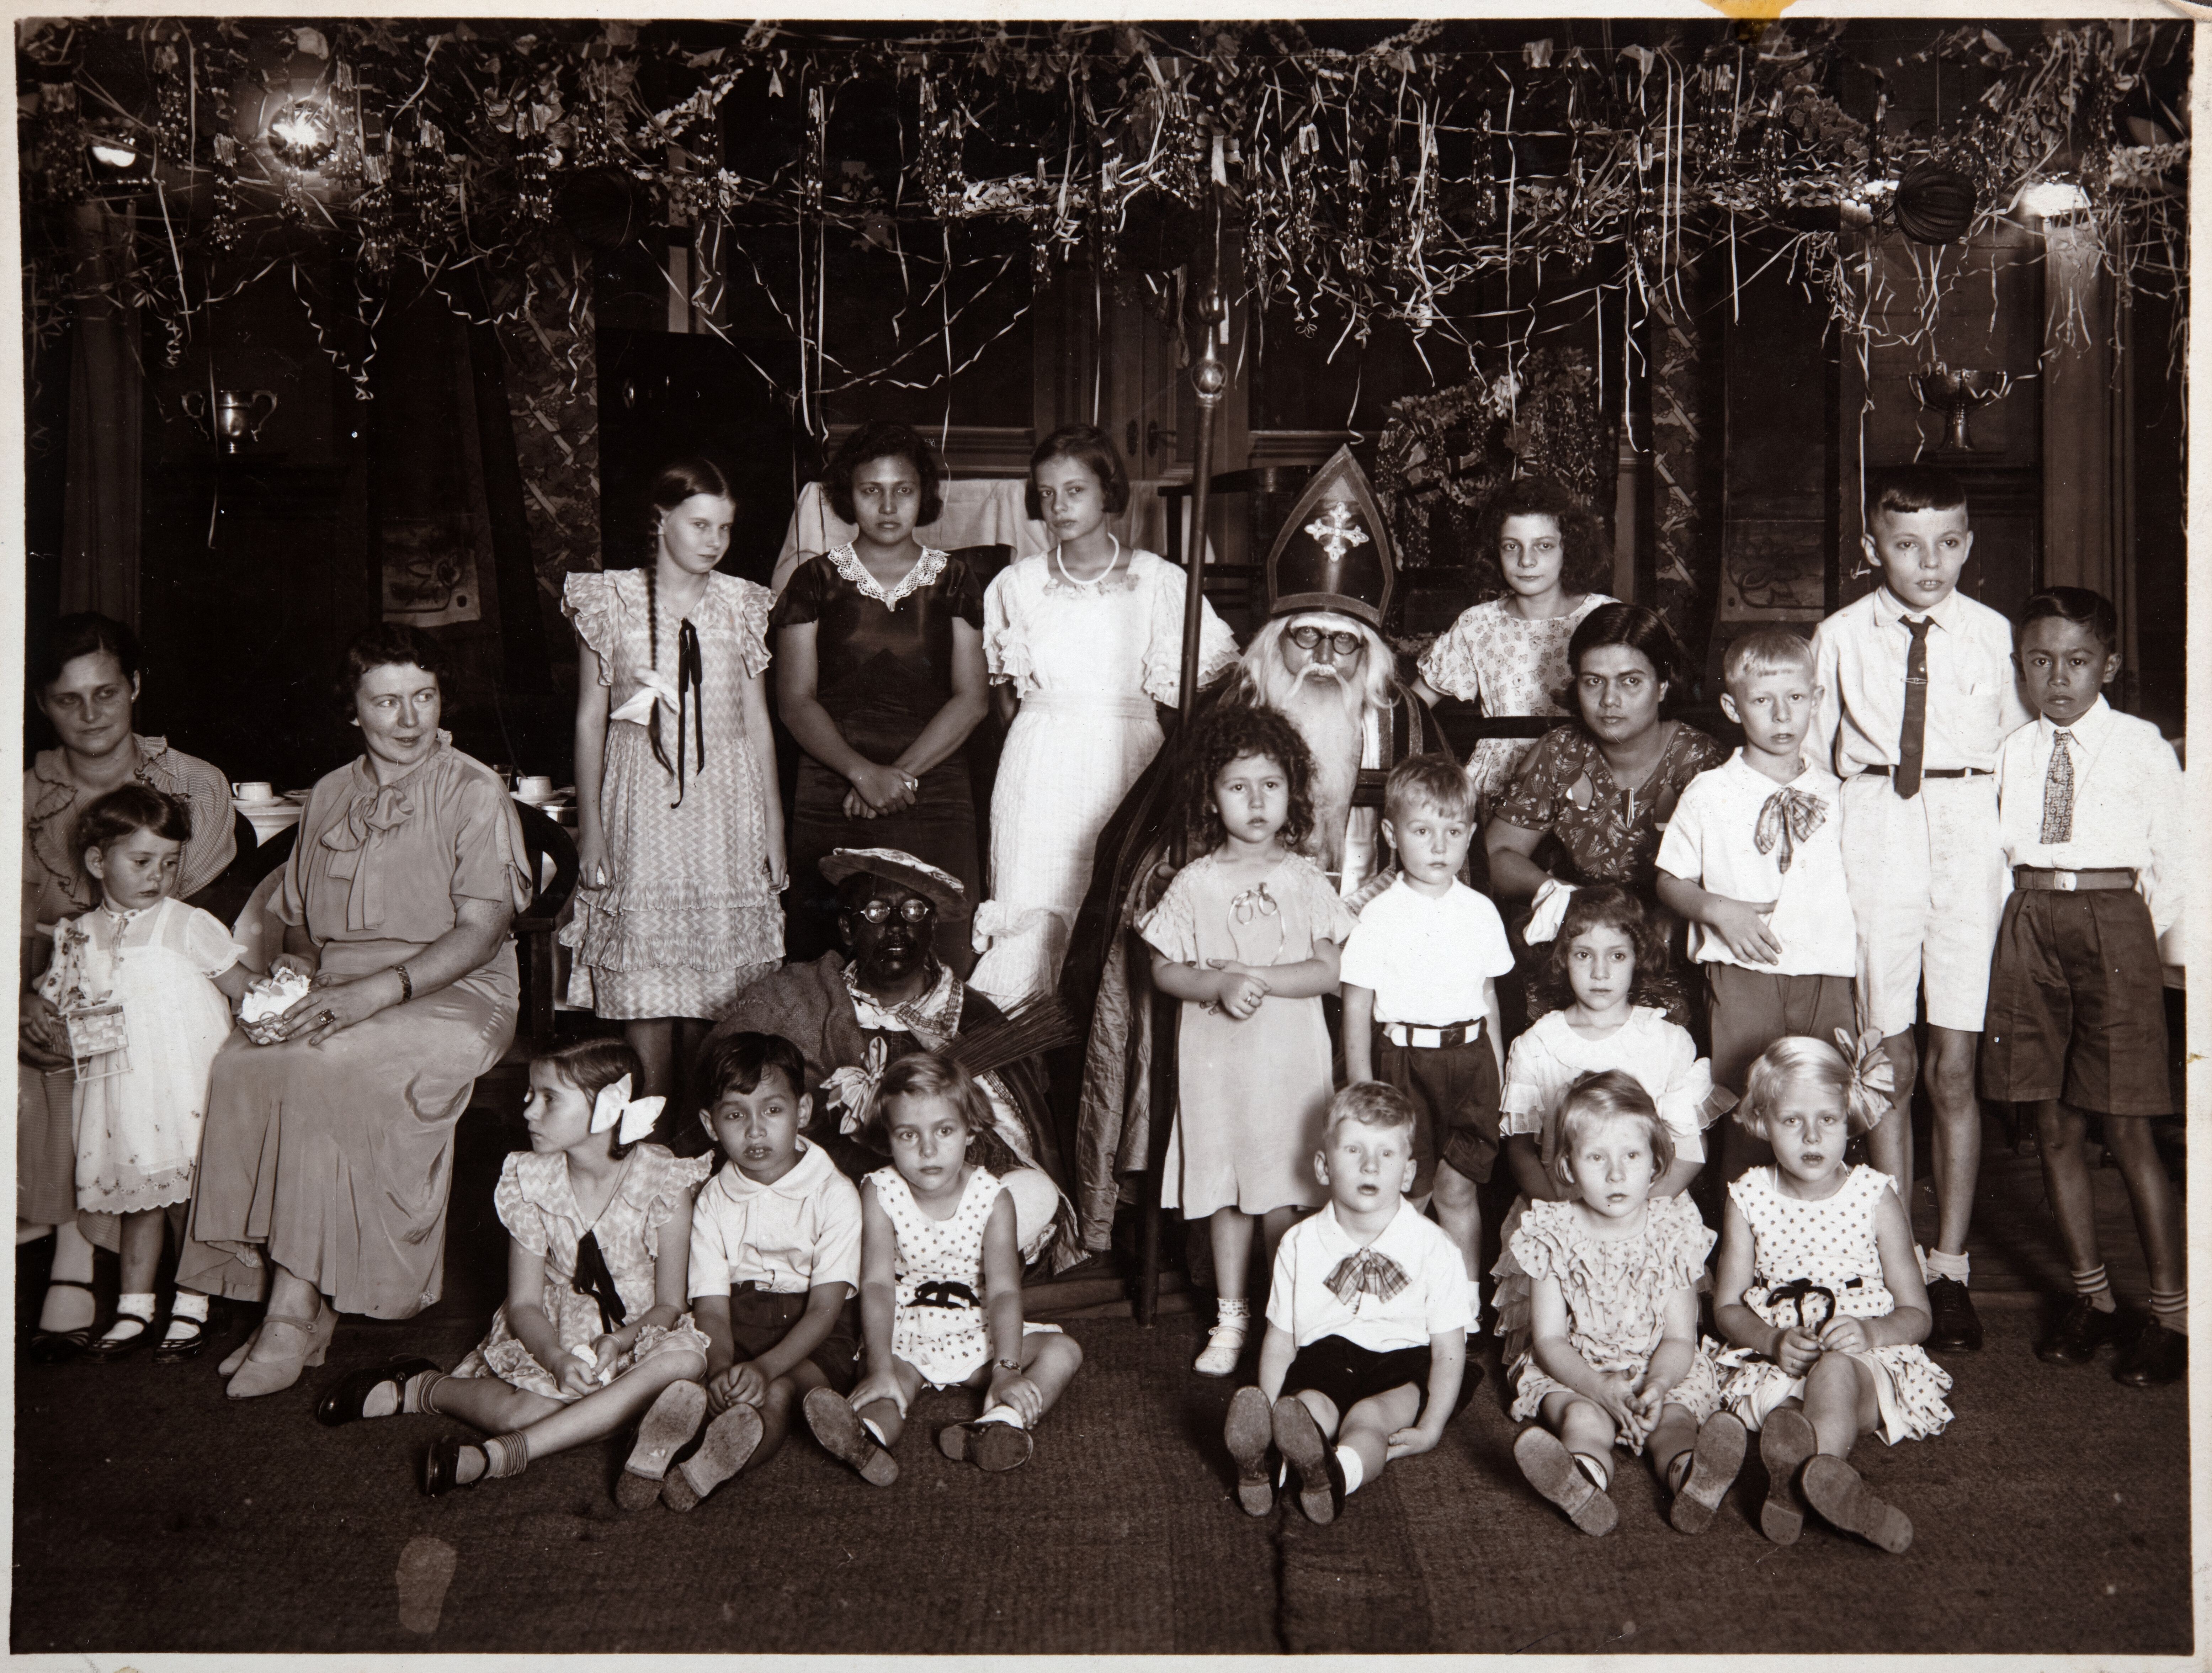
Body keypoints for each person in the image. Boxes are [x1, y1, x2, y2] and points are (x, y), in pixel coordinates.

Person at [1068, 446, 1454, 1262]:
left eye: (1343, 645)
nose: (1323, 660)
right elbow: (1153, 842)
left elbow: (1439, 841)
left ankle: (1366, 1249)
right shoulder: (1228, 711)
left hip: (1373, 944)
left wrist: (1374, 915)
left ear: (1368, 655)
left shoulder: (1404, 720)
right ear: (1275, 640)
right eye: (1305, 638)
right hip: (1236, 964)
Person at [179, 624, 531, 1397]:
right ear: (354, 710)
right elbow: (303, 922)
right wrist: (300, 972)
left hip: (453, 991)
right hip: (343, 985)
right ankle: (306, 1294)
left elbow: (482, 932)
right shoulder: (331, 793)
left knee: (323, 1066)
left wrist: (375, 991)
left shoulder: (474, 789)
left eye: (423, 697)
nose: (409, 719)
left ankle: (292, 1309)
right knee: (241, 1063)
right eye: (386, 702)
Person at [1807, 464, 2031, 1355]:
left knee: (1953, 1066)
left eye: (1945, 544)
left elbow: (2017, 750)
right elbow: (1814, 761)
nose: (1926, 563)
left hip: (1969, 828)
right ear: (1873, 548)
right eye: (1905, 545)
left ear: (1967, 546)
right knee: (1886, 1060)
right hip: (1873, 826)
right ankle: (1893, 1266)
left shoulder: (1991, 634)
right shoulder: (1837, 636)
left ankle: (1948, 1267)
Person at [312, 1040, 713, 1504]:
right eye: (529, 1095)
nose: (528, 1112)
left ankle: (501, 1456)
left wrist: (620, 1343)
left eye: (549, 1098)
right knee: (527, 1412)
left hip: (640, 1333)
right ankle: (427, 1387)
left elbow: (670, 1305)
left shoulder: (663, 1179)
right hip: (559, 1328)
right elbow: (524, 1304)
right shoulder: (530, 1180)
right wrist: (556, 1359)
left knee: (685, 1362)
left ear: (607, 1107)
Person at [21, 611, 236, 1363]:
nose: (90, 714)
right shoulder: (24, 795)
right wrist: (29, 1003)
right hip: (76, 995)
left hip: (168, 1015)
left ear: (136, 686)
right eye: (68, 699)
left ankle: (138, 1278)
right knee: (55, 1070)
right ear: (42, 704)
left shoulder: (192, 785)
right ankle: (82, 1255)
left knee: (164, 1132)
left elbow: (198, 928)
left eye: (106, 693)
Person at [1983, 588, 2186, 1386]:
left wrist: (2148, 947)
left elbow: (2174, 860)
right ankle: (2091, 1298)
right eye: (2040, 661)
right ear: (2021, 668)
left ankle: (2171, 1314)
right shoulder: (2012, 751)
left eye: (2076, 660)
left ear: (2109, 664)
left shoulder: (2140, 746)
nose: (2058, 678)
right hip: (2031, 917)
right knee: (2053, 1121)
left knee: (2127, 1126)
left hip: (2113, 922)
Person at [702, 847, 1074, 1268]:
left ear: (932, 926)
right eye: (877, 912)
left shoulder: (969, 1016)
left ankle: (927, 1263)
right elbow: (738, 1079)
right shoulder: (803, 997)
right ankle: (901, 1266)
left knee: (1033, 1194)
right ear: (848, 928)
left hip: (939, 1199)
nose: (897, 927)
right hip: (835, 1193)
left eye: (914, 912)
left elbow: (1005, 1131)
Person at [969, 423, 1238, 1007]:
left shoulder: (1161, 582)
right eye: (1046, 494)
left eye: (1075, 491)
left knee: (1116, 905)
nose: (1059, 507)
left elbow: (1212, 680)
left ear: (1108, 490)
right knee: (1035, 902)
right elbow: (1003, 698)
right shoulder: (1016, 585)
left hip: (1127, 759)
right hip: (1038, 765)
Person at [1141, 705, 1357, 1376]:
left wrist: (1255, 977)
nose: (1257, 801)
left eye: (1271, 784)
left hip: (1289, 1066)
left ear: (1292, 791)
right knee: (1228, 1190)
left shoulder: (1304, 879)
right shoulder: (1195, 882)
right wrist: (1218, 985)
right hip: (1219, 1066)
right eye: (1239, 786)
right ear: (1211, 796)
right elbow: (1164, 969)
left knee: (1285, 1189)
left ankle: (1284, 1319)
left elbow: (1328, 971)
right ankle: (1231, 1317)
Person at [564, 457, 786, 1101]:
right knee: (647, 986)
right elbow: (590, 720)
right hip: (641, 806)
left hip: (726, 806)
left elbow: (758, 721)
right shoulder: (610, 600)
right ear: (661, 520)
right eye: (700, 524)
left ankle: (709, 1133)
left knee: (723, 994)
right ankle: (651, 1133)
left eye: (725, 527)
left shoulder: (743, 603)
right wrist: (592, 830)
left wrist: (773, 824)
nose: (715, 541)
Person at [1712, 1034, 1953, 1553]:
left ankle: (1811, 1477)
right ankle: (1811, 1479)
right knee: (1785, 1417)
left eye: (1828, 1119)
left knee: (1836, 1373)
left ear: (1849, 1118)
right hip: (1777, 1365)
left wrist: (1870, 1332)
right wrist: (1772, 1341)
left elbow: (1918, 1314)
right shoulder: (1749, 1197)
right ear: (1763, 1122)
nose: (1812, 1136)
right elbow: (1726, 1307)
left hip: (1864, 1366)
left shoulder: (1874, 1196)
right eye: (1791, 1120)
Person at [36, 786, 253, 1360]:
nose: (158, 876)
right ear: (97, 861)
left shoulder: (186, 923)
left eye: (170, 863)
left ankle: (193, 1304)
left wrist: (280, 1002)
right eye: (142, 861)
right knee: (141, 1200)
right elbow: (59, 1009)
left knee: (189, 1201)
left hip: (188, 1086)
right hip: (122, 1093)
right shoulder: (76, 935)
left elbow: (243, 987)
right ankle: (135, 1308)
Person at [803, 1052, 1084, 1481]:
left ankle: (1000, 1424)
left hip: (979, 1330)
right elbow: (877, 1284)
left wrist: (1006, 1370)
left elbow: (1004, 1291)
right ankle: (868, 1438)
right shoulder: (879, 1191)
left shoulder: (993, 1198)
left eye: (944, 1131)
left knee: (1063, 1351)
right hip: (906, 1331)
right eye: (908, 1135)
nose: (928, 1150)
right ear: (888, 1138)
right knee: (886, 1387)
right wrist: (880, 1367)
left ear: (970, 1130)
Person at [774, 423, 989, 972]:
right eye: (872, 490)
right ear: (848, 495)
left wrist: (898, 777)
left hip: (933, 787)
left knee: (940, 953)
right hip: (832, 787)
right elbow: (795, 700)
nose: (889, 507)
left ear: (925, 495)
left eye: (904, 490)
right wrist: (862, 774)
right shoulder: (813, 580)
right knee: (826, 956)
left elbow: (972, 699)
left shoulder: (956, 580)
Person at [1489, 886, 1724, 1366]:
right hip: (1562, 1208)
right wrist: (1567, 1215)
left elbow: (1690, 1151)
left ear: (1639, 958)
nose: (1600, 972)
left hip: (1650, 1211)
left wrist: (1639, 1216)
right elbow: (1520, 1150)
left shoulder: (1666, 1041)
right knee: (1561, 1348)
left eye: (1617, 955)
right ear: (1562, 959)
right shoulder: (1537, 1044)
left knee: (1659, 1347)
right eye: (1583, 955)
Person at [1222, 1082, 1472, 1526]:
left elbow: (1450, 1349)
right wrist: (1271, 1406)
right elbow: (1280, 1340)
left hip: (1402, 1364)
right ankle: (1267, 1466)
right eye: (1353, 1150)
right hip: (1326, 1355)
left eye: (1386, 1154)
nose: (1370, 1165)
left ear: (1408, 1174)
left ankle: (1337, 1475)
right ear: (1323, 1167)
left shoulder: (1435, 1248)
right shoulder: (1298, 1243)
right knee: (1308, 1407)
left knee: (1369, 1420)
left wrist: (1432, 1426)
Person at [1506, 1071, 1743, 1538]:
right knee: (1582, 1420)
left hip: (1660, 1369)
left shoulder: (1672, 1232)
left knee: (1673, 1421)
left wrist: (1656, 1387)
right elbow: (1550, 1340)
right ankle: (1583, 1481)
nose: (1616, 1174)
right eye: (1596, 1157)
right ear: (1569, 1167)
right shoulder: (1551, 1232)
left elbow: (1680, 1339)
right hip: (1578, 1373)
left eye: (1631, 1156)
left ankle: (1692, 1479)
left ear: (1655, 1162)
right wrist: (1598, 1388)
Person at [1655, 629, 1856, 1174]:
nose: (1782, 715)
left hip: (1827, 970)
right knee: (1749, 1104)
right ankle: (1745, 1221)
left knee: (1823, 1104)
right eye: (1763, 700)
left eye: (1796, 698)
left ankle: (1818, 1217)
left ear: (1816, 700)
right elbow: (1670, 880)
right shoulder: (1710, 792)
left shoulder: (1841, 793)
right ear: (1732, 707)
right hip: (1743, 971)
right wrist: (1719, 910)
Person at [1484, 601, 1724, 1022]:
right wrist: (1561, 897)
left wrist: (1669, 919)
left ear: (1662, 685)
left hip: (1669, 948)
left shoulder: (1704, 762)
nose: (1609, 701)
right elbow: (1497, 853)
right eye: (1593, 682)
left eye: (1631, 681)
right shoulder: (1561, 752)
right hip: (1576, 943)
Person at [658, 1031, 864, 1510]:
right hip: (740, 1322)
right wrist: (722, 1370)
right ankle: (660, 1449)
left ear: (803, 1111)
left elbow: (826, 1309)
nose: (755, 1131)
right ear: (710, 1125)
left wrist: (766, 1369)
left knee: (778, 1391)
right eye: (735, 1115)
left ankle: (710, 1470)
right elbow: (712, 1309)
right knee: (704, 1388)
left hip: (816, 1331)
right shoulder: (712, 1200)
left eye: (772, 1110)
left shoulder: (834, 1193)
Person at [1339, 755, 1513, 1311]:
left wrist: (1499, 1071)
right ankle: (1392, 1307)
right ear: (1392, 836)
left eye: (1453, 832)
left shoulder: (1480, 912)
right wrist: (1363, 1087)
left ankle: (1463, 1305)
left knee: (1459, 1189)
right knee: (1408, 1191)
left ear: (1470, 836)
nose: (1440, 846)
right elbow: (1357, 1004)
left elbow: (1487, 996)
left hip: (1471, 1061)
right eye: (1422, 832)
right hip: (1405, 1065)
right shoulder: (1379, 915)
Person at [1410, 476, 1617, 823]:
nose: (1526, 561)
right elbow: (1411, 707)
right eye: (1511, 546)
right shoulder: (1477, 624)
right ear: (1494, 552)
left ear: (1570, 549)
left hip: (1584, 776)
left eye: (1544, 546)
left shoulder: (1604, 616)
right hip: (1496, 787)